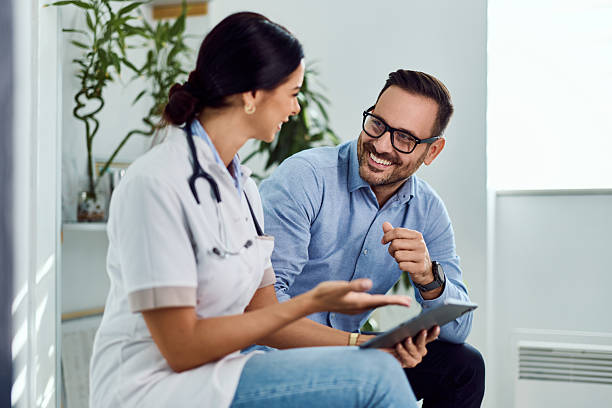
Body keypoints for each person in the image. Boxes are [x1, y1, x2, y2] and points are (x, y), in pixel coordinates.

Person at [88, 12, 426, 408]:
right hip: (151, 388)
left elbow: (267, 321)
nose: (297, 108)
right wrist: (313, 302)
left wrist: (362, 343)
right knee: (377, 381)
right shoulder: (156, 182)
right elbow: (180, 349)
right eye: (292, 91)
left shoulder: (242, 189)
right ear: (252, 95)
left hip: (221, 373)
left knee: (378, 366)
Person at [259, 69, 486, 407]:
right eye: (377, 124)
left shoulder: (427, 210)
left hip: (352, 352)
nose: (381, 145)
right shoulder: (306, 178)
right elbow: (263, 311)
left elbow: (457, 329)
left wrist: (428, 278)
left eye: (404, 138)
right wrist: (359, 346)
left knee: (463, 365)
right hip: (280, 355)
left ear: (432, 151)